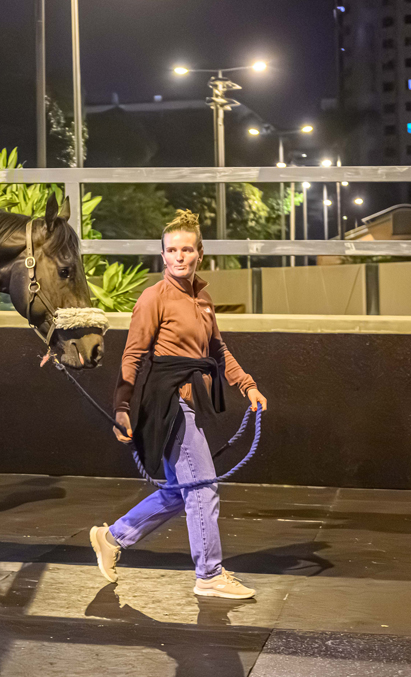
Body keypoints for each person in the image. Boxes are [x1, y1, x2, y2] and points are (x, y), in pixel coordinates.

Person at [89, 210, 268, 600]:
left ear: (200, 254)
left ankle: (111, 537)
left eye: (187, 249)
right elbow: (133, 356)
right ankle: (209, 574)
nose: (179, 256)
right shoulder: (153, 298)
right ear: (163, 255)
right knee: (203, 489)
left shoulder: (202, 298)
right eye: (172, 250)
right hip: (168, 402)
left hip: (191, 399)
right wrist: (121, 408)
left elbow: (217, 350)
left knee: (179, 490)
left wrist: (247, 385)